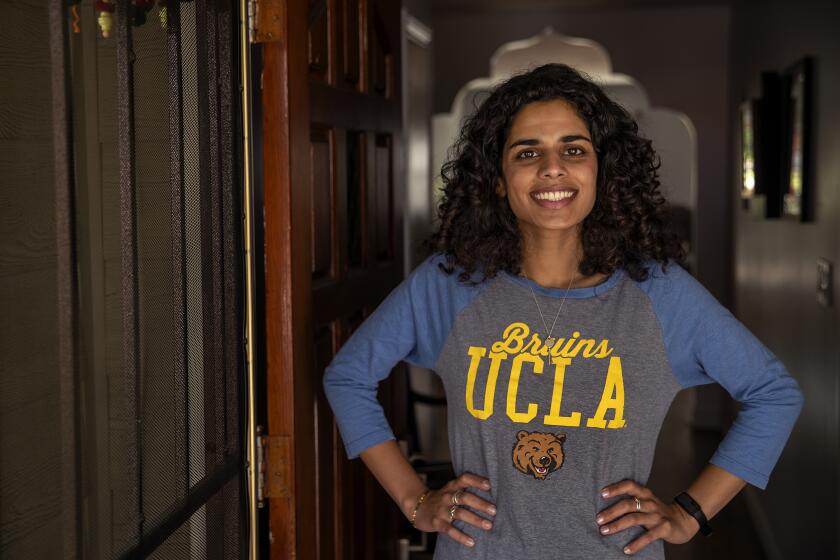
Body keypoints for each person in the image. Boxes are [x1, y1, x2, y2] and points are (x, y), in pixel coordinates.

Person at [323, 63, 803, 559]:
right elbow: (349, 377)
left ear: (602, 169)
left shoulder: (659, 294)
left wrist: (688, 513)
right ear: (496, 179)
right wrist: (415, 499)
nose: (552, 168)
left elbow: (773, 394)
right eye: (527, 152)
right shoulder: (451, 284)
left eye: (573, 150)